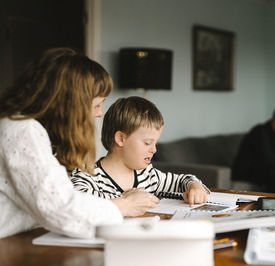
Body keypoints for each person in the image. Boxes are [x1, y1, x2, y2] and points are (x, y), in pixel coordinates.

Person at [0, 48, 159, 239]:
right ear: (72, 104)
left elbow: (56, 197)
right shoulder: (22, 130)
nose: (99, 113)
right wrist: (124, 205)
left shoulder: (28, 129)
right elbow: (61, 209)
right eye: (97, 104)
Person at [70, 96, 209, 205]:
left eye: (155, 142)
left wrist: (194, 186)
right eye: (147, 142)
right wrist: (126, 199)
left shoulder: (147, 174)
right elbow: (79, 203)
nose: (154, 149)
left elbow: (183, 179)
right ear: (121, 139)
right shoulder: (88, 176)